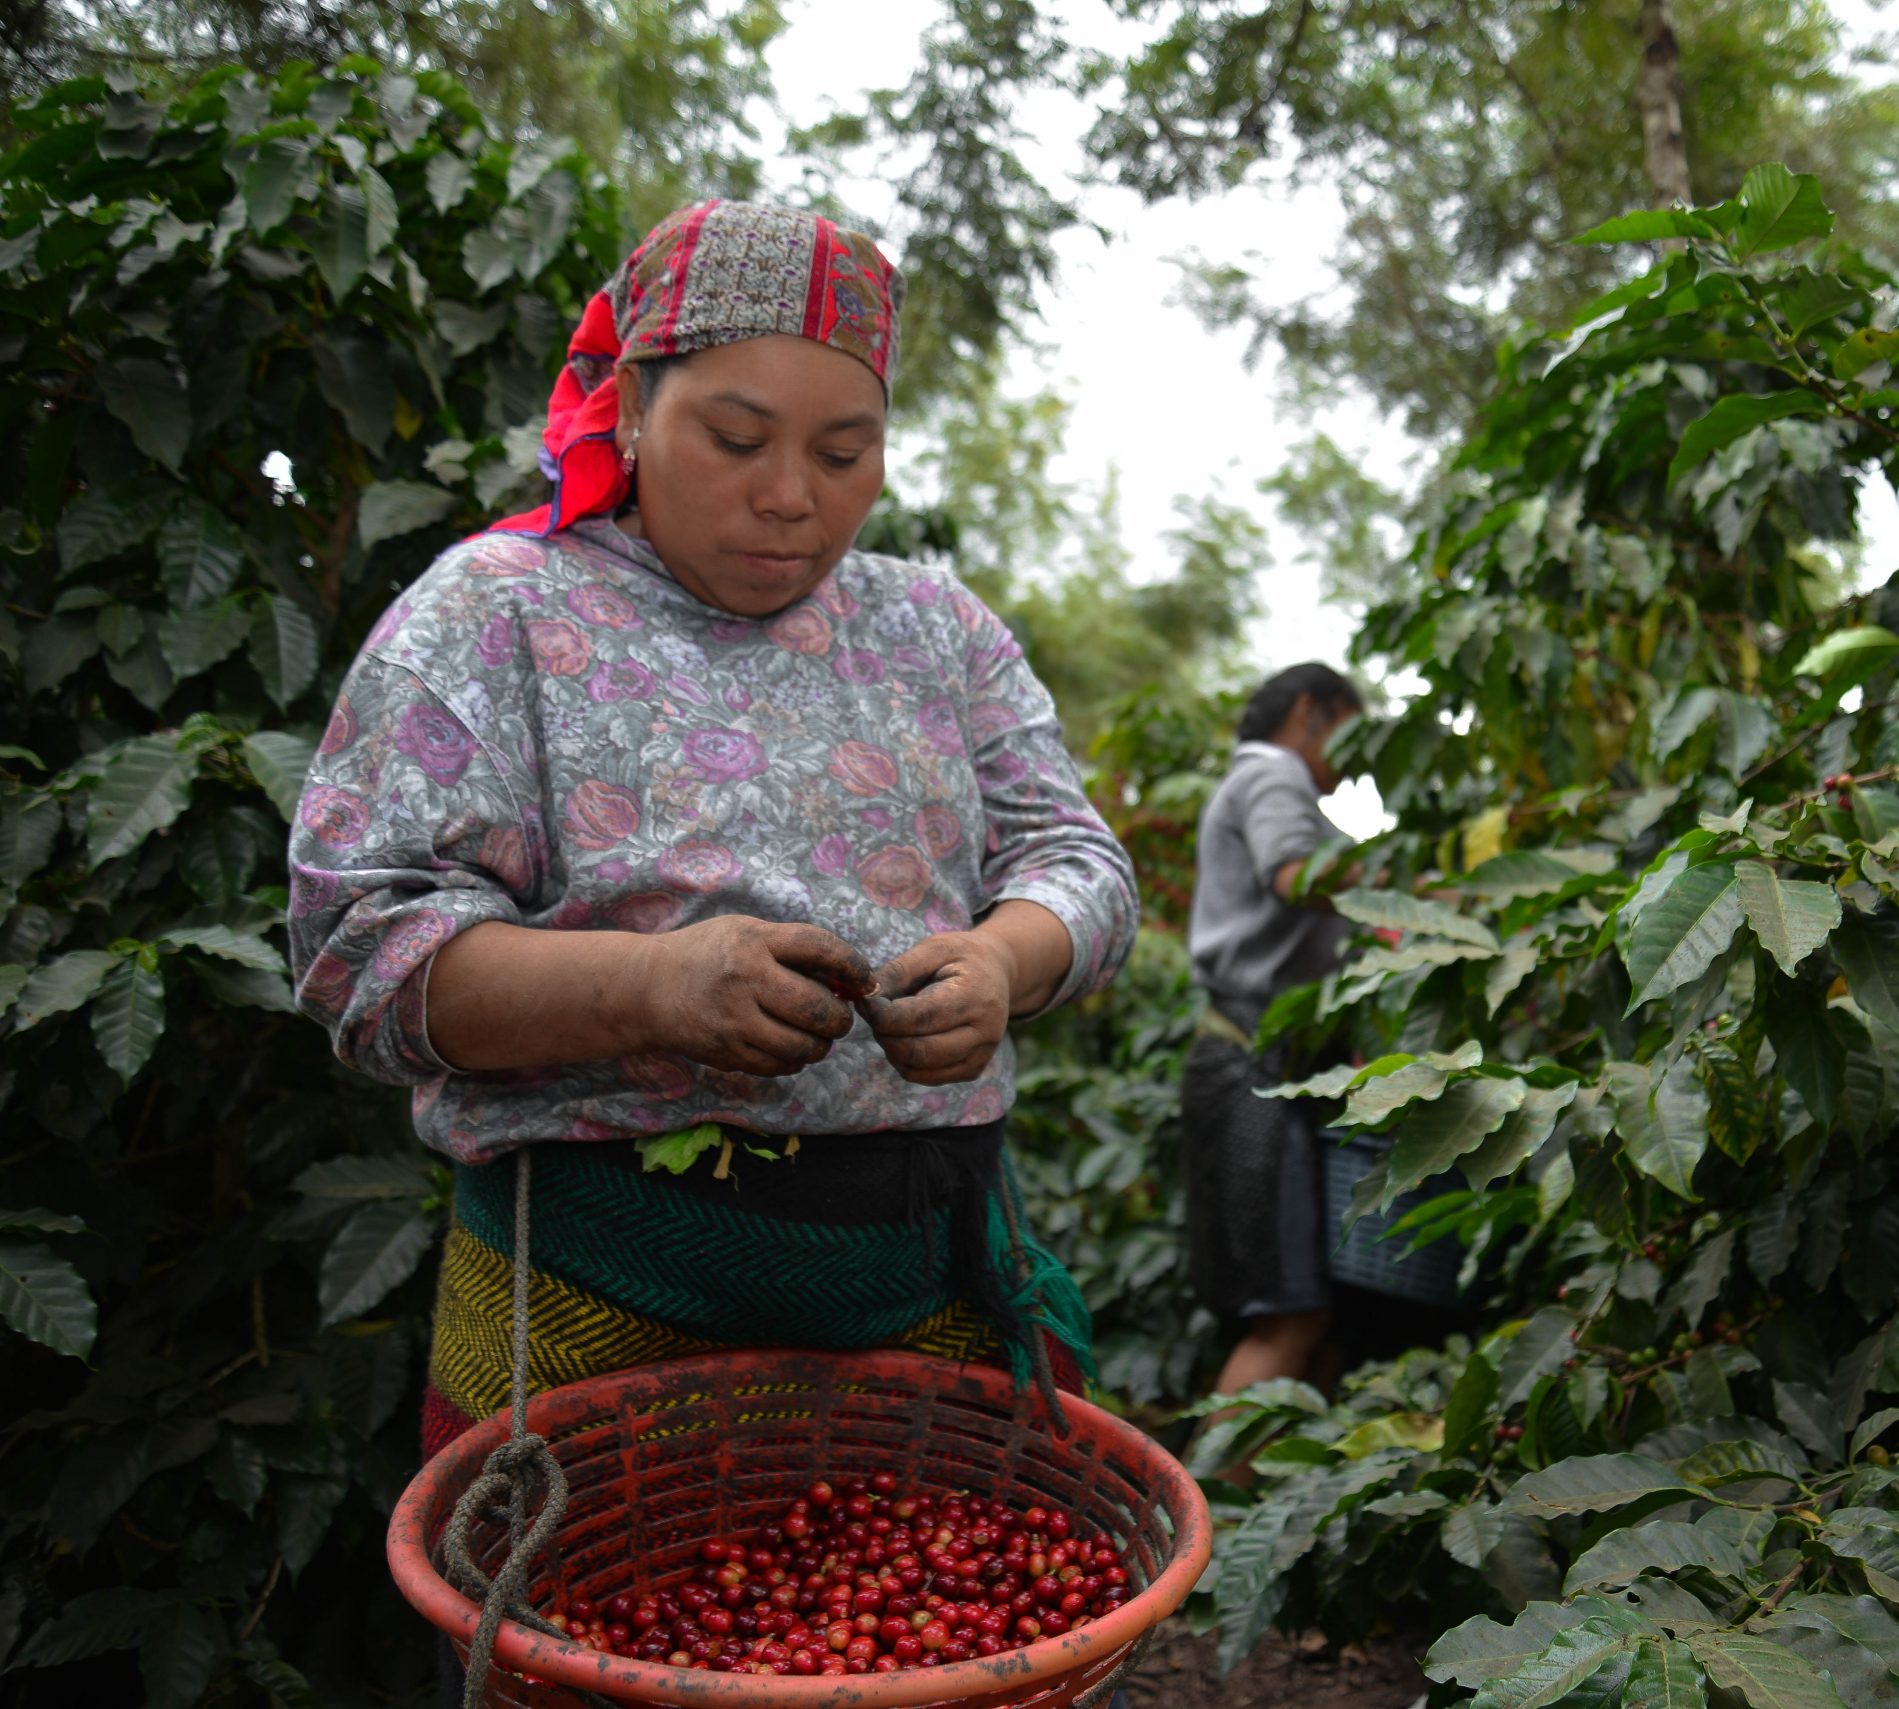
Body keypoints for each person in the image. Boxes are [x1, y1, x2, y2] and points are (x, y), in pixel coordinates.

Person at [286, 200, 1140, 1469]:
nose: (789, 496)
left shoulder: (937, 630)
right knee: (606, 1640)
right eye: (735, 438)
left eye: (844, 452)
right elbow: (356, 948)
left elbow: (1076, 861)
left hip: (930, 1288)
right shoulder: (497, 612)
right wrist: (654, 984)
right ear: (633, 404)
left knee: (949, 1642)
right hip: (599, 1294)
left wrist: (1006, 961)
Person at [1180, 663, 1365, 1402]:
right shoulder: (1276, 775)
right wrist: (1414, 889)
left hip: (1269, 1063)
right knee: (1289, 1314)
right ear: (1311, 711)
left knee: (1307, 1313)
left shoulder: (1272, 783)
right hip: (1255, 1064)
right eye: (1353, 729)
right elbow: (1295, 871)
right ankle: (1194, 1515)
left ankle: (1271, 1505)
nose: (1357, 758)